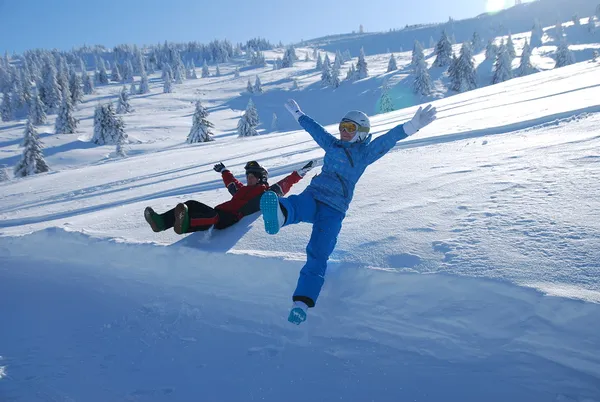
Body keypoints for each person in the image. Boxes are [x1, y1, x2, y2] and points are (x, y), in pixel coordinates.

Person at [260, 100, 437, 325]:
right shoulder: (332, 145)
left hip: (334, 210)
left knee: (318, 253)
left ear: (361, 133)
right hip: (315, 195)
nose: (344, 132)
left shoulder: (365, 154)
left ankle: (301, 303)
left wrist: (411, 126)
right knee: (297, 204)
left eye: (350, 128)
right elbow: (316, 130)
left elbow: (387, 141)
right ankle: (279, 214)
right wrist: (298, 114)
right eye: (343, 127)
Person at [144, 160, 315, 234]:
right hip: (219, 212)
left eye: (252, 176)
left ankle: (185, 225)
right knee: (191, 204)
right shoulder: (241, 190)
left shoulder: (265, 194)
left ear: (261, 178)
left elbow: (283, 184)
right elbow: (232, 183)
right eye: (247, 176)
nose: (248, 178)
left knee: (211, 219)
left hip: (230, 218)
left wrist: (299, 173)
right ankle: (161, 223)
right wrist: (225, 171)